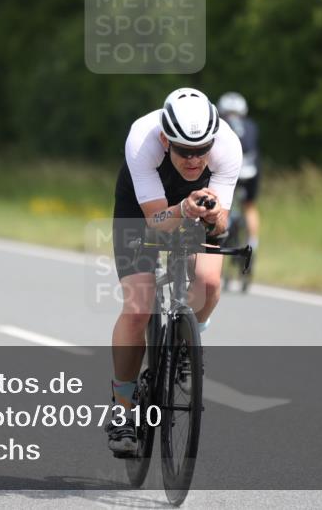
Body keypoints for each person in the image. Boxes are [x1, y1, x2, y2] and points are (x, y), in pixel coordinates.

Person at [105, 87, 242, 454]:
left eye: (202, 150)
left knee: (209, 282)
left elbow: (222, 224)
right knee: (138, 309)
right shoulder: (142, 140)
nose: (194, 160)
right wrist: (183, 208)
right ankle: (122, 409)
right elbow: (156, 222)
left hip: (195, 206)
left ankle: (188, 341)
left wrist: (212, 215)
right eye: (184, 150)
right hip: (143, 210)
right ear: (167, 140)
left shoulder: (228, 146)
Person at [217, 92, 261, 250]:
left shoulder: (220, 125)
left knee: (222, 203)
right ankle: (253, 243)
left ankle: (222, 232)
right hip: (251, 171)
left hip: (229, 169)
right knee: (249, 206)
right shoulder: (251, 125)